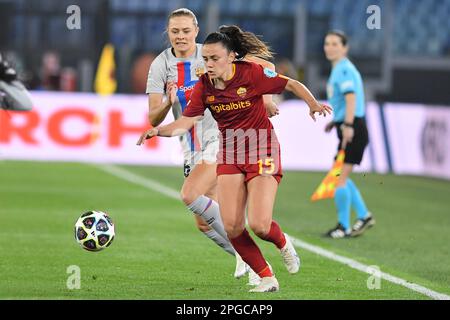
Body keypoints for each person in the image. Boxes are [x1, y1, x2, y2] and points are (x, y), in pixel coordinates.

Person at [138, 31, 331, 292]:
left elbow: (291, 84)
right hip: (230, 155)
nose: (208, 64)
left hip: (262, 150)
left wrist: (312, 104)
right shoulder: (204, 86)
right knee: (231, 226)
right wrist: (157, 131)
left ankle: (283, 243)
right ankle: (266, 277)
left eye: (215, 58)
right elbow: (186, 122)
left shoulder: (251, 73)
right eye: (205, 58)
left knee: (260, 225)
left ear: (231, 57)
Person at [145, 9, 278, 281]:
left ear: (196, 30)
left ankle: (252, 259)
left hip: (222, 138)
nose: (180, 36)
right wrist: (169, 103)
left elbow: (266, 68)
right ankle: (248, 259)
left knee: (192, 194)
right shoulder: (160, 65)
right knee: (203, 222)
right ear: (167, 33)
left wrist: (264, 98)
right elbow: (152, 115)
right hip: (190, 144)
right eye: (174, 31)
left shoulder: (211, 53)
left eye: (185, 31)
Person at [323, 30, 375, 238]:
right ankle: (363, 215)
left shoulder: (343, 70)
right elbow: (346, 102)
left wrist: (347, 125)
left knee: (339, 178)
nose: (330, 47)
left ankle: (344, 225)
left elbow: (351, 98)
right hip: (348, 125)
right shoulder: (340, 69)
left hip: (353, 128)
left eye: (335, 44)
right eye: (327, 43)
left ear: (345, 48)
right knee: (339, 174)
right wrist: (336, 122)